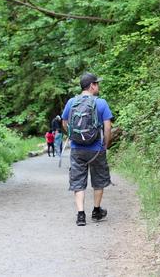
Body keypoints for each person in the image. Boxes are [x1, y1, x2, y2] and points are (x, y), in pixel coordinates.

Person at [62, 72, 113, 226]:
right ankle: (96, 211)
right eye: (97, 83)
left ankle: (81, 215)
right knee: (98, 179)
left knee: (78, 180)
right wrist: (106, 144)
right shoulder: (102, 103)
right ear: (92, 86)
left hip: (77, 149)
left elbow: (64, 122)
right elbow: (108, 127)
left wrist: (72, 136)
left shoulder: (71, 102)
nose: (98, 86)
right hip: (96, 149)